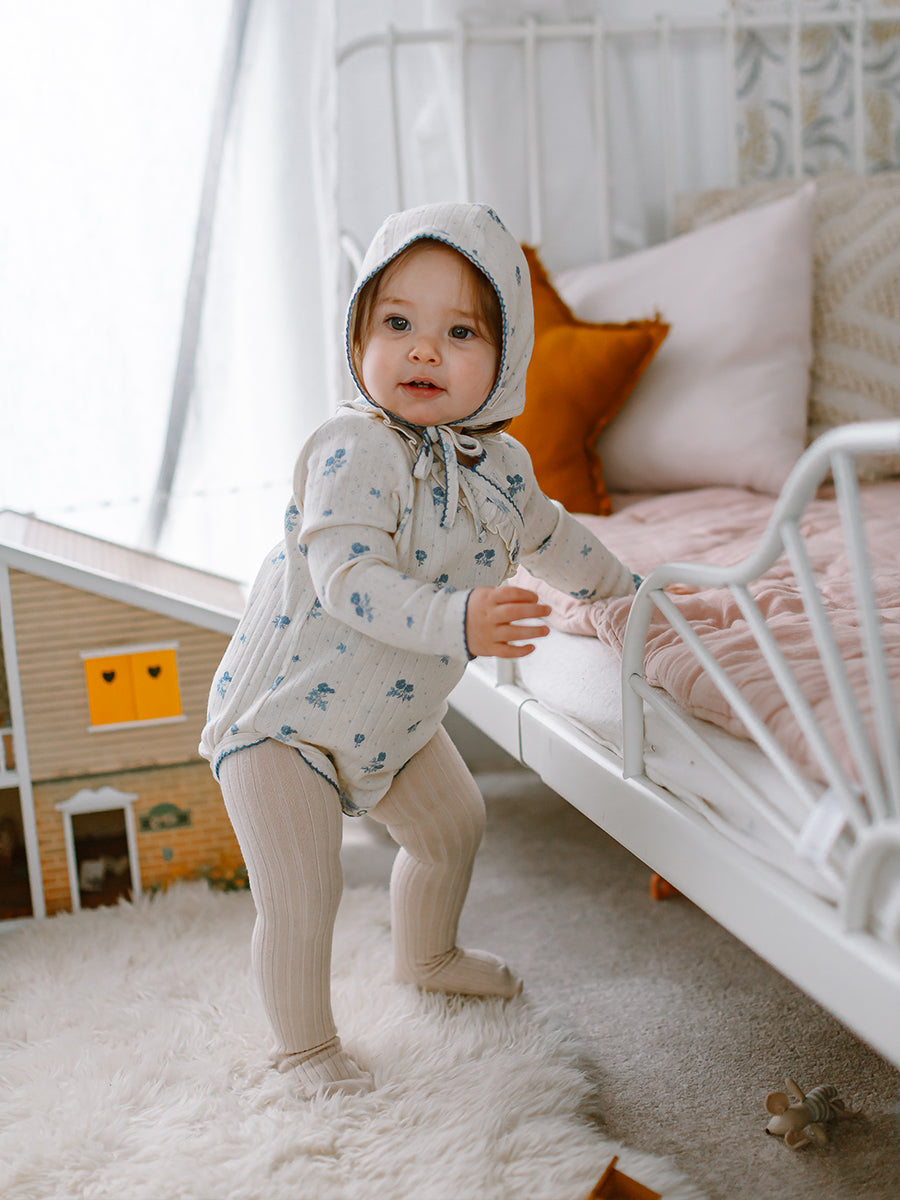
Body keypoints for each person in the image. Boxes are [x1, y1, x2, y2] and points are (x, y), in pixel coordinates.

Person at [200, 201, 637, 1099]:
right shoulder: (352, 448)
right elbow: (348, 581)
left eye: (460, 332)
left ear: (506, 358)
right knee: (303, 889)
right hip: (283, 718)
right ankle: (304, 1049)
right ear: (359, 334)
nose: (424, 350)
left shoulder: (501, 470)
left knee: (452, 827)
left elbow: (553, 537)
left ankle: (427, 955)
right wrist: (461, 619)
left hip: (390, 717)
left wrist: (624, 595)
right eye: (397, 323)